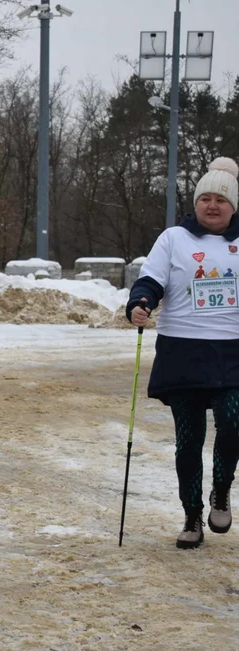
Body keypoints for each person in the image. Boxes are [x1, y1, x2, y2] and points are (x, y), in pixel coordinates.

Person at [128, 156, 239, 549]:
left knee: (234, 421)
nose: (212, 205)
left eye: (220, 200)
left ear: (233, 206)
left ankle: (221, 490)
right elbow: (151, 279)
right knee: (188, 440)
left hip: (232, 354)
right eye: (205, 198)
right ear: (195, 203)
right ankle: (192, 516)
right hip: (183, 352)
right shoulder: (174, 238)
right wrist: (141, 301)